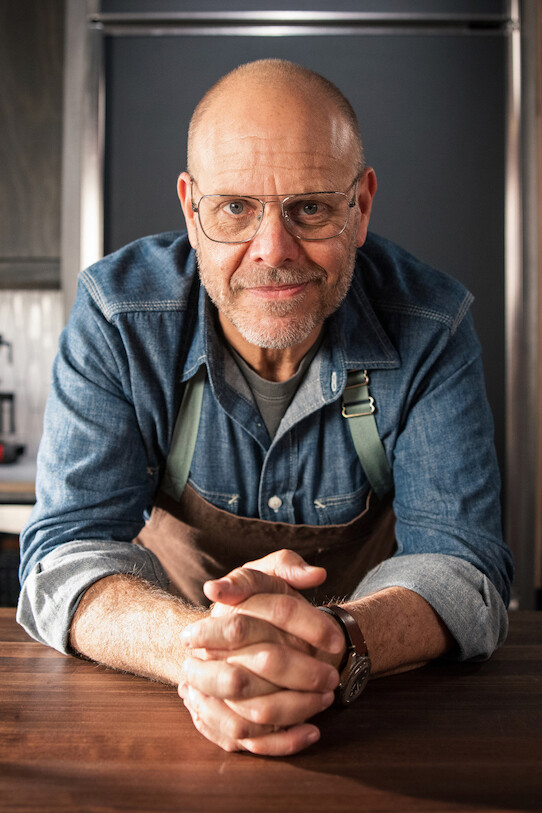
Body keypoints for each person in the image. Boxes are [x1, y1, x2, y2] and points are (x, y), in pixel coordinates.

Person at [17, 59, 513, 756]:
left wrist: (339, 642)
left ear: (361, 207)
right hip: (168, 703)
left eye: (309, 207)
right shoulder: (120, 318)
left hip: (374, 708)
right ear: (192, 210)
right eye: (235, 209)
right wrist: (198, 649)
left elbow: (464, 566)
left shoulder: (431, 324)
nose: (273, 251)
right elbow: (63, 555)